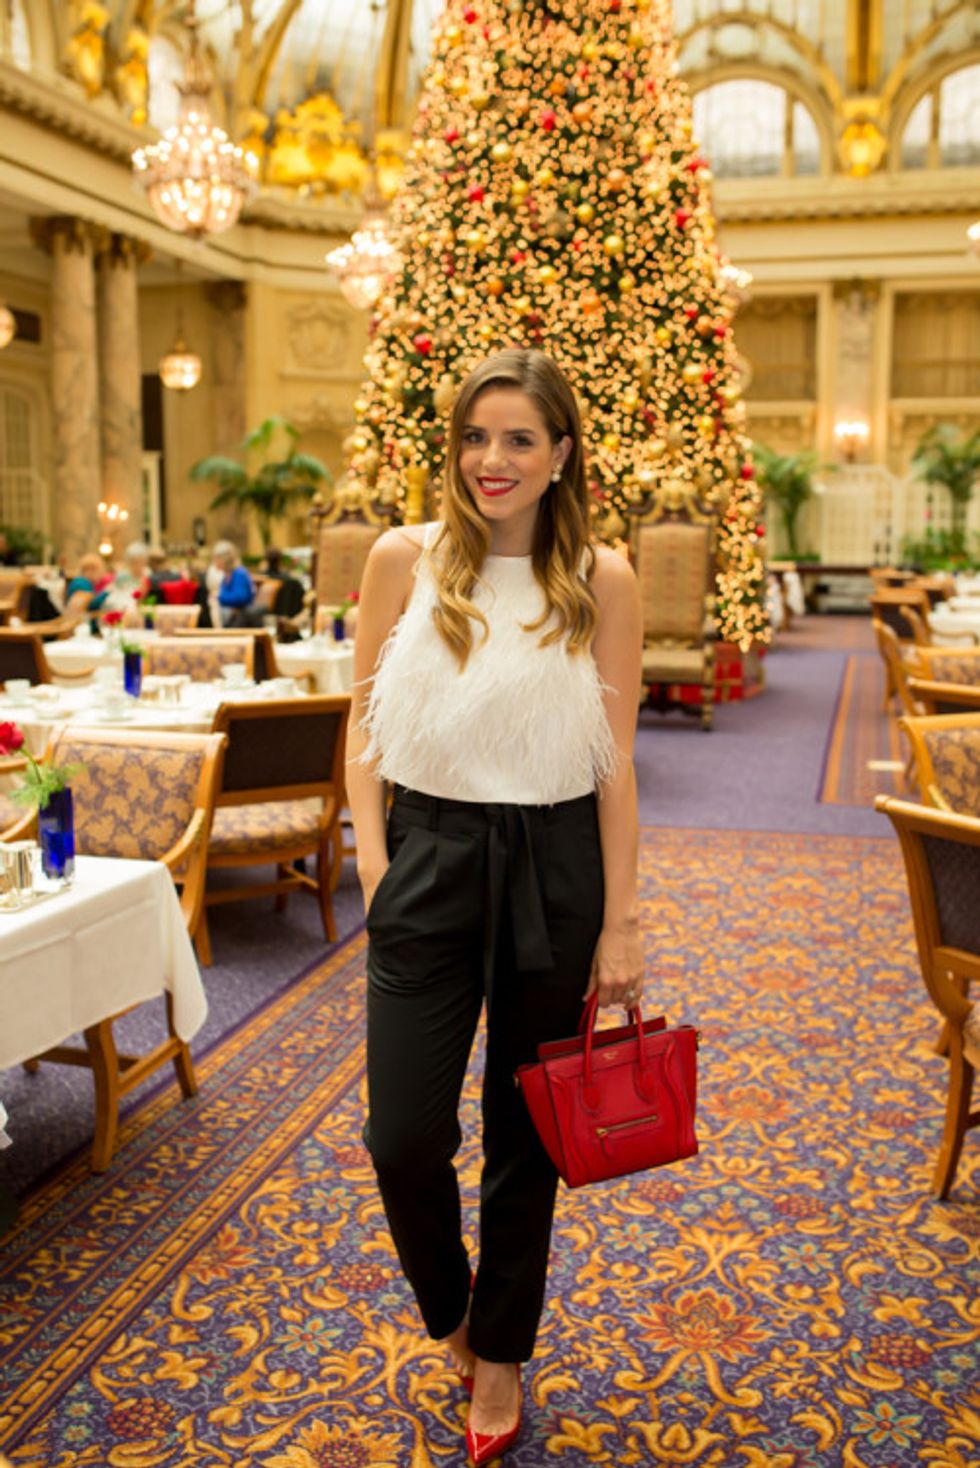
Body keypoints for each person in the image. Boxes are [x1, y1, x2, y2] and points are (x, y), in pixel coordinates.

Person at [346, 348, 643, 1465]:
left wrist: (622, 918)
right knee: (402, 1137)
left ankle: (504, 1352)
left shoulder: (601, 576)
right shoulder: (403, 558)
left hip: (554, 863)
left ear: (561, 453)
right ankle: (454, 1316)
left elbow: (615, 759)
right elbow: (362, 726)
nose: (492, 459)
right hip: (425, 854)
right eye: (475, 437)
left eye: (519, 438)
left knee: (527, 1136)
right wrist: (374, 866)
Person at [211, 540, 255, 626]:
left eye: (216, 558)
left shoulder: (239, 573)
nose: (214, 561)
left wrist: (218, 596)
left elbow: (241, 598)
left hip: (241, 618)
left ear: (224, 559)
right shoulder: (227, 574)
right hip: (232, 616)